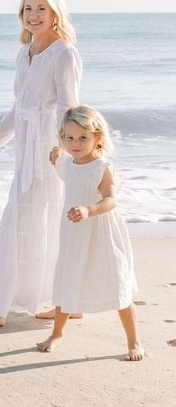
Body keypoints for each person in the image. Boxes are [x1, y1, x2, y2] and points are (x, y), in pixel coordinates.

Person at [0, 0, 82, 326]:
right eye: (28, 8)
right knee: (33, 224)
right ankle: (56, 300)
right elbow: (18, 110)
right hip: (24, 151)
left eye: (42, 8)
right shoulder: (24, 53)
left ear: (55, 12)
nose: (34, 15)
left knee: (31, 223)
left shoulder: (64, 53)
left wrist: (63, 149)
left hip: (50, 153)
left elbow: (69, 106)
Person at [37, 105, 144, 361]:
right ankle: (57, 334)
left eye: (83, 138)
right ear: (62, 138)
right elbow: (61, 167)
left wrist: (88, 209)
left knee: (117, 282)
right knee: (67, 279)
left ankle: (134, 341)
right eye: (69, 138)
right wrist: (55, 156)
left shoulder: (101, 167)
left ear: (98, 137)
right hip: (75, 234)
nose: (75, 143)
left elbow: (111, 200)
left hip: (102, 232)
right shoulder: (68, 163)